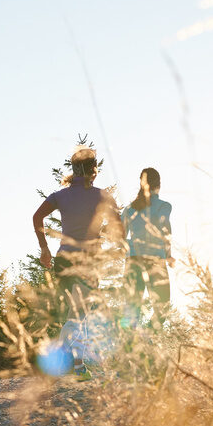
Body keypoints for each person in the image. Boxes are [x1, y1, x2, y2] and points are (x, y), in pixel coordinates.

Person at [33, 146, 123, 379]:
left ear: (73, 170)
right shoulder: (102, 196)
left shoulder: (60, 196)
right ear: (94, 170)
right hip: (88, 261)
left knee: (73, 314)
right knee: (78, 315)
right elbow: (119, 229)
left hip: (63, 260)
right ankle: (76, 365)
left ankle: (64, 363)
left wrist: (44, 249)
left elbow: (37, 217)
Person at [121, 167, 173, 327]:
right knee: (163, 308)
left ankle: (131, 347)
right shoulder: (163, 206)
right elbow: (166, 231)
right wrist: (168, 254)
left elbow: (121, 237)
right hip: (155, 258)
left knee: (132, 310)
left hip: (133, 260)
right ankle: (148, 337)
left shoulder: (129, 209)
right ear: (159, 185)